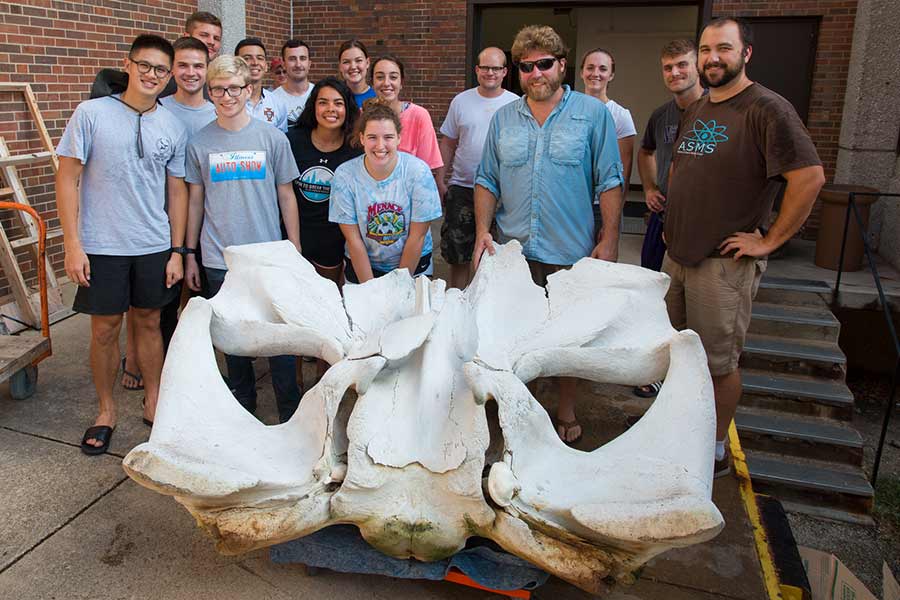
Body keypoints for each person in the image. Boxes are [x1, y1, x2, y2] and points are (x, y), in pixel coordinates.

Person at [664, 17, 825, 477]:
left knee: (717, 364)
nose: (712, 57)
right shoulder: (697, 108)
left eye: (724, 49)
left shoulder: (767, 109)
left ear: (746, 54)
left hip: (722, 266)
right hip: (678, 256)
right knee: (676, 354)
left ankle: (712, 449)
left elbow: (809, 178)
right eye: (706, 49)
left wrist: (769, 239)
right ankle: (680, 430)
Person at [472, 25, 623, 445]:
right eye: (526, 66)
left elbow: (610, 180)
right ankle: (517, 406)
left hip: (570, 251)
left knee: (566, 339)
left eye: (544, 64)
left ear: (560, 65)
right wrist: (483, 232)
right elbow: (486, 179)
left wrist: (609, 239)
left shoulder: (593, 115)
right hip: (513, 251)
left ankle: (566, 408)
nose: (536, 73)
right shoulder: (504, 118)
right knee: (513, 333)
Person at [57, 34, 188, 455]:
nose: (152, 75)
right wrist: (72, 243)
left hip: (152, 242)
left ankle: (153, 399)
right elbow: (67, 178)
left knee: (149, 322)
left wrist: (176, 250)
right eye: (145, 65)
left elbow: (178, 191)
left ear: (168, 77)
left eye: (160, 70)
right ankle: (106, 410)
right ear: (127, 65)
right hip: (102, 245)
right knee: (104, 329)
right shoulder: (91, 113)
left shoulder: (171, 124)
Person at [184, 55, 303, 424]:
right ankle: (244, 410)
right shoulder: (200, 142)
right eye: (218, 88)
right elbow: (195, 201)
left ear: (248, 90)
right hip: (221, 259)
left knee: (278, 341)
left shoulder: (272, 138)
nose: (226, 95)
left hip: (267, 256)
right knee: (234, 342)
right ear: (210, 92)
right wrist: (189, 254)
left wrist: (294, 249)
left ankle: (290, 414)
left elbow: (286, 196)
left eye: (234, 88)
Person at [631, 38, 704, 400]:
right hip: (661, 218)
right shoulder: (662, 116)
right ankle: (656, 371)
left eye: (682, 65)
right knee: (653, 295)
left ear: (698, 65)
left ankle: (688, 381)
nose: (675, 73)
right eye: (668, 67)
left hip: (697, 225)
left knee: (689, 306)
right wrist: (647, 187)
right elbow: (645, 151)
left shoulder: (716, 110)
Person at [329, 100, 442, 284]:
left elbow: (417, 235)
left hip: (412, 266)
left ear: (399, 138)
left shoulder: (418, 172)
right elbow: (353, 238)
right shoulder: (345, 175)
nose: (380, 145)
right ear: (362, 138)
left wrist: (398, 287)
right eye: (372, 137)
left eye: (388, 137)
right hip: (364, 265)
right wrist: (371, 289)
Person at [438, 47, 517, 289]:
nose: (490, 72)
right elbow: (449, 142)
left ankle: (487, 307)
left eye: (496, 68)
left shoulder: (516, 104)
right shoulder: (461, 101)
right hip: (463, 188)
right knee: (458, 253)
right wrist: (441, 179)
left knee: (496, 256)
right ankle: (456, 302)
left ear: (504, 71)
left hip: (503, 192)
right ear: (477, 70)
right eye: (485, 67)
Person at [287, 76, 362, 284]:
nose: (331, 109)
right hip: (294, 235)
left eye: (338, 103)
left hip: (333, 240)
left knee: (328, 301)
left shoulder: (356, 149)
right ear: (313, 107)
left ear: (347, 109)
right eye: (323, 102)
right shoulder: (292, 141)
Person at [580, 48, 636, 234]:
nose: (596, 73)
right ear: (582, 72)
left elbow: (624, 171)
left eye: (603, 69)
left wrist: (613, 217)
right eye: (590, 68)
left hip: (600, 207)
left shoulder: (621, 115)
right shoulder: (566, 111)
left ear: (611, 75)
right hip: (570, 205)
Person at [370, 55, 444, 180]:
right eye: (380, 77)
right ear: (372, 83)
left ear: (401, 82)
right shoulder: (363, 115)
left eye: (393, 77)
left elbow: (425, 169)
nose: (386, 83)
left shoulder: (419, 116)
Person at [236, 37, 288, 131]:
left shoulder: (277, 104)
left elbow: (280, 142)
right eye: (247, 58)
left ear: (266, 66)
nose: (255, 63)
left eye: (260, 58)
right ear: (236, 65)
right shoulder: (227, 102)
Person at [272, 39, 315, 127]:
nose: (298, 64)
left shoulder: (319, 94)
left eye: (303, 58)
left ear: (309, 64)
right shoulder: (273, 99)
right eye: (292, 59)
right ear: (284, 64)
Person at [338, 39, 376, 108]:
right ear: (340, 66)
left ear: (367, 63)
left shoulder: (378, 98)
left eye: (358, 60)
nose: (353, 67)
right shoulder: (335, 97)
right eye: (346, 62)